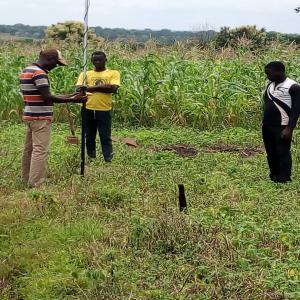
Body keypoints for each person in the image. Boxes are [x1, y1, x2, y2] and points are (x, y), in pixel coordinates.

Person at [20, 48, 86, 187]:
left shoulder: (27, 70)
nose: (56, 66)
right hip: (41, 118)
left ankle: (27, 178)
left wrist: (71, 96)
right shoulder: (40, 73)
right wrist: (73, 100)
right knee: (40, 150)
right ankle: (37, 183)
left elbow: (42, 95)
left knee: (29, 149)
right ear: (49, 58)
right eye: (56, 63)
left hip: (30, 115)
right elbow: (48, 97)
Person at [76, 51, 120, 162]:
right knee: (89, 135)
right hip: (88, 108)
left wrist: (89, 88)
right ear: (91, 61)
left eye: (100, 60)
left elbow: (113, 89)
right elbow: (79, 90)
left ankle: (108, 158)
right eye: (95, 60)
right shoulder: (85, 74)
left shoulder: (113, 73)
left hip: (104, 109)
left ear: (105, 60)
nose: (98, 62)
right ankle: (91, 157)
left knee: (105, 136)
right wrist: (104, 87)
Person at [262, 61, 300, 183]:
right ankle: (274, 175)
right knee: (270, 151)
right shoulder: (270, 85)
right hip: (267, 126)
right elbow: (267, 102)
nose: (268, 76)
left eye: (269, 73)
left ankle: (284, 179)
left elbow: (296, 110)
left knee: (282, 152)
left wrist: (289, 128)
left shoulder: (293, 87)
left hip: (282, 126)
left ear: (279, 71)